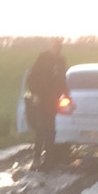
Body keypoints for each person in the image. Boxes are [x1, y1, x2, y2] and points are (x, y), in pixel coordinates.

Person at [24, 38, 67, 168]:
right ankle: (36, 159)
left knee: (51, 131)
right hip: (41, 98)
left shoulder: (61, 61)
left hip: (54, 100)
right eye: (55, 45)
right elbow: (32, 78)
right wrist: (35, 94)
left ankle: (49, 159)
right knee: (40, 130)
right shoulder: (42, 59)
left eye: (59, 45)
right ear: (51, 45)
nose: (57, 47)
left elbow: (63, 80)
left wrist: (65, 94)